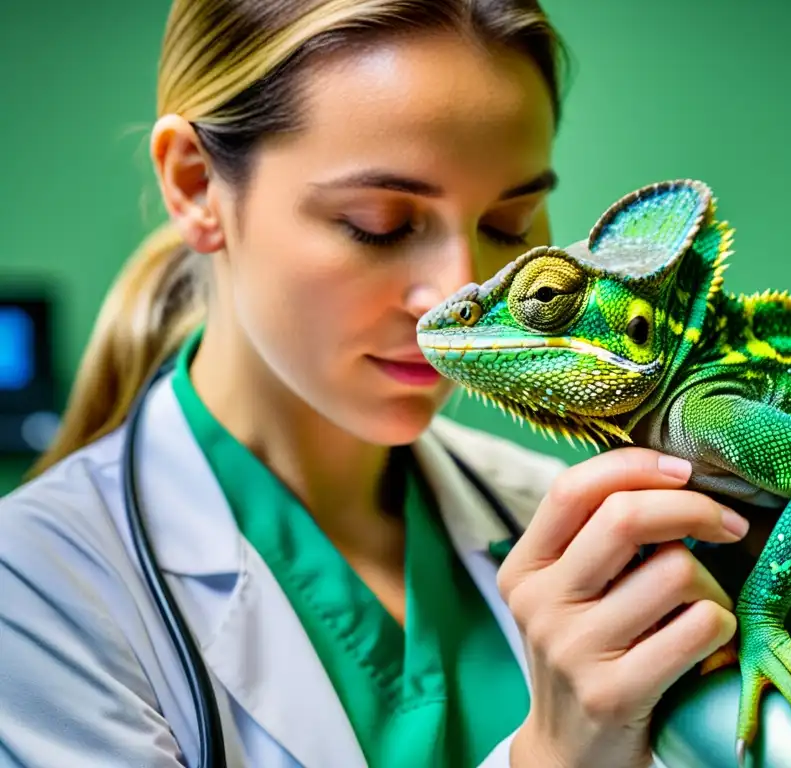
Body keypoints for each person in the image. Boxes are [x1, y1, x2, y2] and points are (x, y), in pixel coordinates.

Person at [0, 2, 749, 767]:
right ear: (196, 186)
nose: (455, 290)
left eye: (511, 224)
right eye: (379, 223)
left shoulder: (555, 512)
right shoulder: (36, 589)